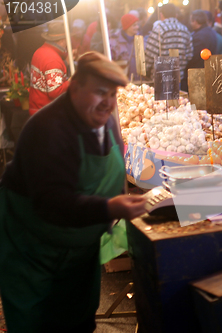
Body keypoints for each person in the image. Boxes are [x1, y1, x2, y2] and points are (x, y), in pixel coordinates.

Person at [0, 51, 147, 332]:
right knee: (38, 322)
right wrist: (110, 208)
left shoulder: (106, 121)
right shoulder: (47, 129)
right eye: (99, 92)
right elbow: (51, 203)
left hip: (79, 246)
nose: (107, 102)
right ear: (76, 88)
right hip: (33, 247)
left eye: (112, 95)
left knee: (78, 319)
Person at [29, 21, 72, 116]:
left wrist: (66, 62)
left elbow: (46, 74)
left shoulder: (40, 51)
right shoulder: (53, 59)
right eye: (67, 39)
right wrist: (71, 81)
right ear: (62, 40)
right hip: (47, 113)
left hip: (36, 110)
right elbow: (55, 92)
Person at [145, 3, 193, 87]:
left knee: (161, 100)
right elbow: (189, 55)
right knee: (177, 100)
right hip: (178, 77)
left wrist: (146, 70)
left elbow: (150, 53)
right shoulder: (184, 29)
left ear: (161, 14)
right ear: (176, 15)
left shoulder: (160, 29)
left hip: (160, 77)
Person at [182, 10, 218, 90]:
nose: (190, 24)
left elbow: (194, 56)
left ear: (195, 21)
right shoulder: (211, 32)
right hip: (209, 71)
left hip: (198, 73)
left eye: (191, 21)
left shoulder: (199, 36)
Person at [109, 13, 140, 79]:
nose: (137, 27)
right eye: (134, 25)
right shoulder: (114, 41)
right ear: (127, 26)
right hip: (120, 80)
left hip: (137, 80)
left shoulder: (139, 39)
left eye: (137, 25)